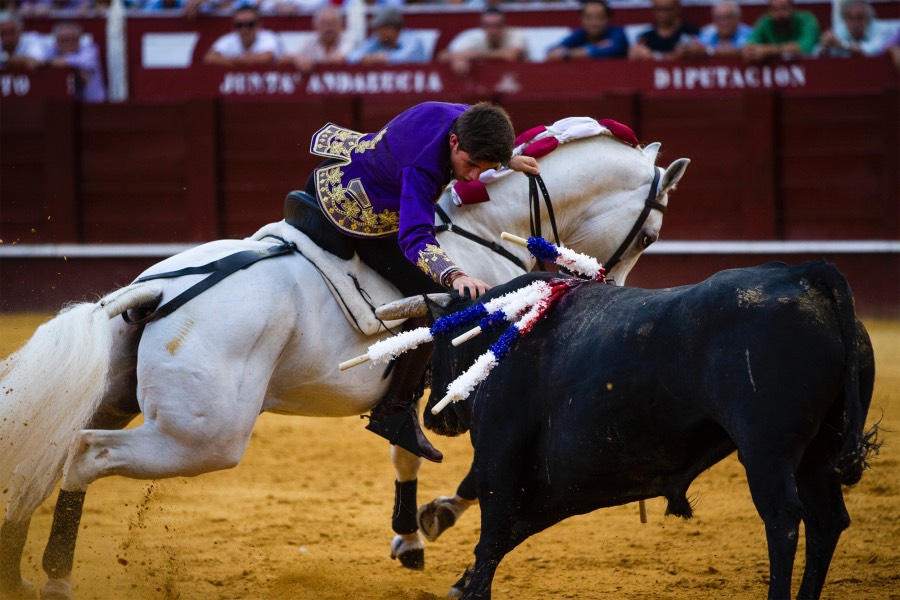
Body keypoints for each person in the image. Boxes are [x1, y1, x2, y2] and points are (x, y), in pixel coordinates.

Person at [302, 101, 539, 459]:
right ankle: (393, 409)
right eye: (471, 165)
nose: (474, 177)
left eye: (484, 169)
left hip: (336, 168)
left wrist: (508, 160)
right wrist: (453, 275)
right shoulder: (423, 168)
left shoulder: (455, 115)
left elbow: (483, 129)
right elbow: (414, 237)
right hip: (356, 210)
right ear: (455, 143)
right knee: (437, 300)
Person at [438, 7, 526, 75]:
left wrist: (471, 55)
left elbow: (511, 55)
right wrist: (457, 58)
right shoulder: (473, 36)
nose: (492, 31)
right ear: (481, 26)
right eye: (487, 26)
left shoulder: (516, 34)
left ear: (504, 26)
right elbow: (443, 56)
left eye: (497, 25)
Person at [545, 0, 628, 61]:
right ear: (582, 19)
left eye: (600, 17)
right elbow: (553, 51)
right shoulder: (580, 34)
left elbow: (613, 49)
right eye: (589, 18)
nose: (594, 23)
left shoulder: (618, 33)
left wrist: (568, 54)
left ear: (607, 19)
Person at [280, 5, 355, 72]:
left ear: (340, 26)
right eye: (324, 23)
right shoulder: (310, 40)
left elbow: (340, 59)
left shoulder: (348, 38)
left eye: (333, 23)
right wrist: (295, 59)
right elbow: (284, 59)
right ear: (316, 27)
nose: (329, 27)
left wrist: (311, 62)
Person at [45, 21, 106, 102]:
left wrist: (52, 62)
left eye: (72, 39)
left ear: (79, 39)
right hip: (62, 105)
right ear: (56, 40)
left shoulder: (90, 50)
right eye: (64, 40)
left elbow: (75, 61)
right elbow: (39, 61)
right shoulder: (52, 51)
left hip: (93, 105)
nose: (68, 43)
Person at [203, 4, 282, 66]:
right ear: (234, 27)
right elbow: (210, 57)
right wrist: (245, 60)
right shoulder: (228, 39)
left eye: (250, 24)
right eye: (239, 25)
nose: (244, 29)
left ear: (259, 25)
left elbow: (266, 58)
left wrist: (231, 61)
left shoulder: (268, 37)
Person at [346, 6, 428, 65]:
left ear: (391, 29)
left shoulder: (414, 41)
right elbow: (352, 57)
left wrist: (386, 58)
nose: (376, 33)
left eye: (380, 29)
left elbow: (405, 58)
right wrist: (364, 58)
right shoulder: (378, 40)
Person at [743, 0, 820, 62]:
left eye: (784, 8)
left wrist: (768, 51)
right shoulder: (764, 22)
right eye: (774, 9)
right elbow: (750, 46)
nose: (780, 14)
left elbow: (804, 48)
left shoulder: (807, 20)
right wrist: (751, 52)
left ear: (793, 8)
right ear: (769, 11)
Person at [818, 0, 897, 57]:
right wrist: (824, 49)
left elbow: (874, 50)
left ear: (868, 18)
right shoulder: (840, 31)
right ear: (844, 19)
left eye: (860, 17)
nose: (855, 23)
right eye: (850, 18)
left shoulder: (881, 30)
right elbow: (815, 54)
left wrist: (842, 45)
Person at [628, 0, 700, 61]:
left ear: (677, 8)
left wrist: (654, 56)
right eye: (659, 10)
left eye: (668, 9)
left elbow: (697, 53)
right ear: (653, 10)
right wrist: (635, 54)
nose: (663, 14)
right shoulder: (646, 37)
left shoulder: (690, 32)